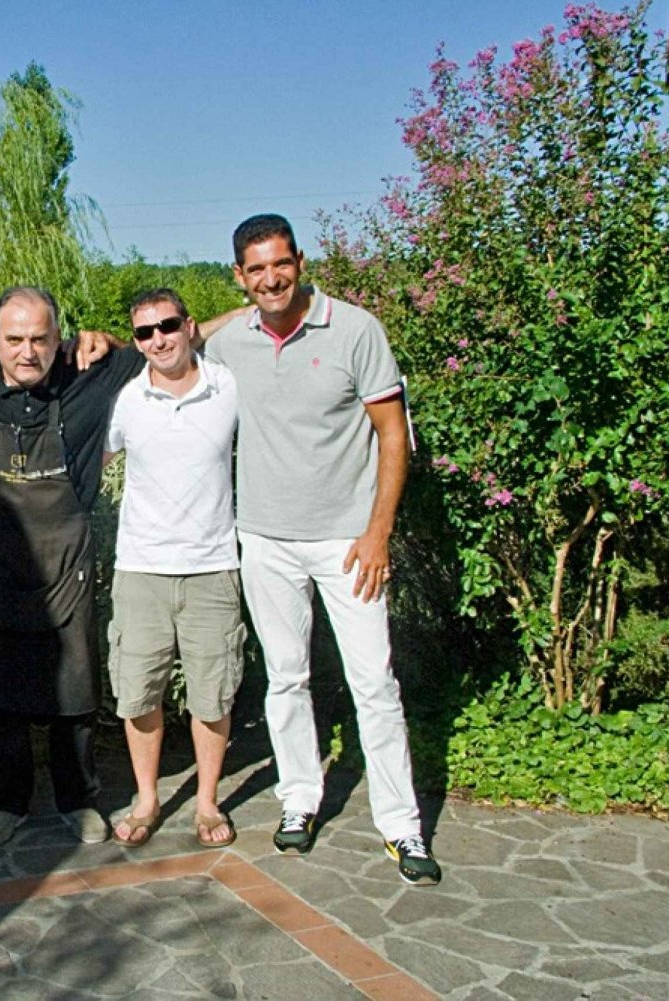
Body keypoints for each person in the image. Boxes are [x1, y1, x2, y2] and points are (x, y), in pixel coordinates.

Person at [204, 213, 441, 885]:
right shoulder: (233, 344)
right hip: (267, 540)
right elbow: (182, 345)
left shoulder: (357, 330)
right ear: (240, 276)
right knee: (285, 677)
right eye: (256, 270)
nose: (272, 279)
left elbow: (393, 435)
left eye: (281, 264)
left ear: (300, 261)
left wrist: (378, 532)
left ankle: (402, 826)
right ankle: (299, 800)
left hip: (347, 540)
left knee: (374, 682)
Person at [0, 287, 146, 846]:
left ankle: (78, 800)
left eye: (40, 339)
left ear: (59, 339)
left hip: (66, 564)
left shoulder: (91, 372)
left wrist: (106, 338)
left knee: (74, 695)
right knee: (0, 698)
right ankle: (7, 804)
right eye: (14, 339)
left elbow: (172, 340)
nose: (27, 351)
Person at [102, 288, 243, 849]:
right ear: (136, 341)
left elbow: (247, 317)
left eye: (168, 326)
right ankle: (147, 797)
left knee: (213, 694)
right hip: (140, 570)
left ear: (190, 327)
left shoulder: (228, 385)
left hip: (213, 566)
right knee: (139, 694)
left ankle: (207, 802)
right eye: (144, 332)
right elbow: (97, 458)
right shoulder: (126, 401)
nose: (158, 339)